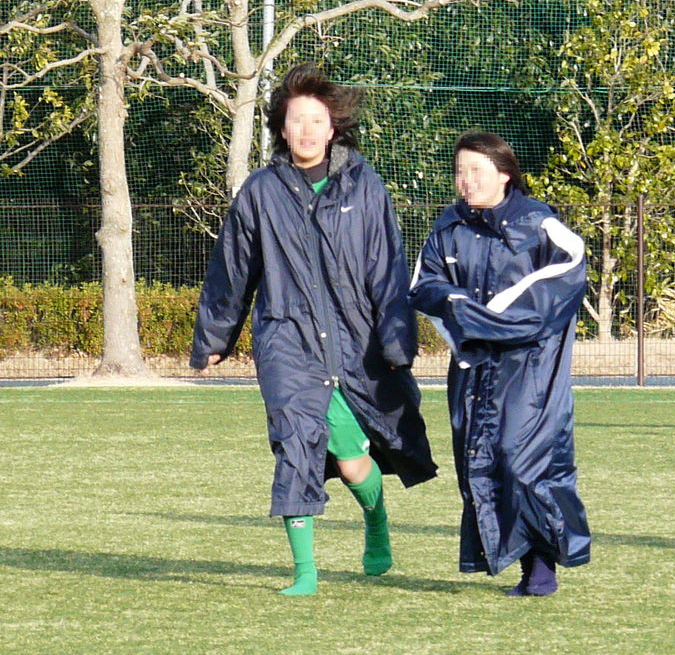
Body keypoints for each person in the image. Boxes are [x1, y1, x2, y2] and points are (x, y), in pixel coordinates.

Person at [190, 63, 437, 596]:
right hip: (287, 343)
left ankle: (376, 522)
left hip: (354, 343)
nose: (305, 129)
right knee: (295, 444)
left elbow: (386, 268)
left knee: (351, 463)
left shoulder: (365, 185)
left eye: (316, 120)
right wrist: (214, 337)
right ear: (282, 128)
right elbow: (233, 268)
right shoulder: (260, 191)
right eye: (295, 119)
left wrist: (396, 342)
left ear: (332, 128)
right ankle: (305, 573)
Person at [408, 131, 590, 597]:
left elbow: (565, 279)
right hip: (472, 369)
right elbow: (425, 287)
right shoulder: (447, 227)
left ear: (504, 174)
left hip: (532, 368)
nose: (466, 181)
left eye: (477, 171)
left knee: (522, 459)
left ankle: (542, 569)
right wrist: (457, 309)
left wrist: (488, 319)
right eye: (460, 171)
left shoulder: (538, 223)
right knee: (483, 464)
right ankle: (526, 568)